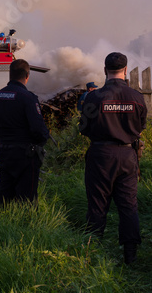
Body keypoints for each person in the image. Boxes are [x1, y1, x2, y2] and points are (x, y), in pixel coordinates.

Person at [79, 52, 147, 264]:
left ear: (104, 69)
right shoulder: (137, 97)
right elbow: (141, 128)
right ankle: (130, 256)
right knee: (128, 205)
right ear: (125, 70)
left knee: (97, 205)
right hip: (128, 156)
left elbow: (84, 128)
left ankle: (93, 253)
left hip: (100, 156)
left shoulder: (94, 97)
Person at [0, 59, 50, 208]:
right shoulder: (28, 98)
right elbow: (39, 130)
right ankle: (26, 226)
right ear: (27, 75)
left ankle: (2, 223)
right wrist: (39, 141)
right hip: (25, 153)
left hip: (5, 151)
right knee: (27, 197)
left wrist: (6, 138)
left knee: (5, 193)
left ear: (10, 75)